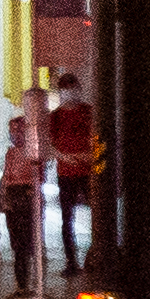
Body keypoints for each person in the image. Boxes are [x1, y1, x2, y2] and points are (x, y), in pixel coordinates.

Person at [0, 93, 50, 296]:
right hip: (14, 195)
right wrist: (2, 197)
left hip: (28, 194)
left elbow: (39, 174)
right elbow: (6, 176)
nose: (15, 135)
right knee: (18, 243)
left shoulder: (35, 146)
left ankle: (34, 283)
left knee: (31, 242)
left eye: (18, 131)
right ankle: (22, 284)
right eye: (12, 131)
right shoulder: (11, 153)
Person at [46, 85, 106, 265]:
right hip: (66, 171)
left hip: (87, 171)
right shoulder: (55, 116)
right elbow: (49, 143)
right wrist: (63, 156)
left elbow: (99, 138)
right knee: (67, 217)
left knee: (98, 213)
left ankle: (98, 253)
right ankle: (71, 260)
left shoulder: (87, 112)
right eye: (65, 90)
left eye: (72, 90)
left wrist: (92, 157)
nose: (69, 94)